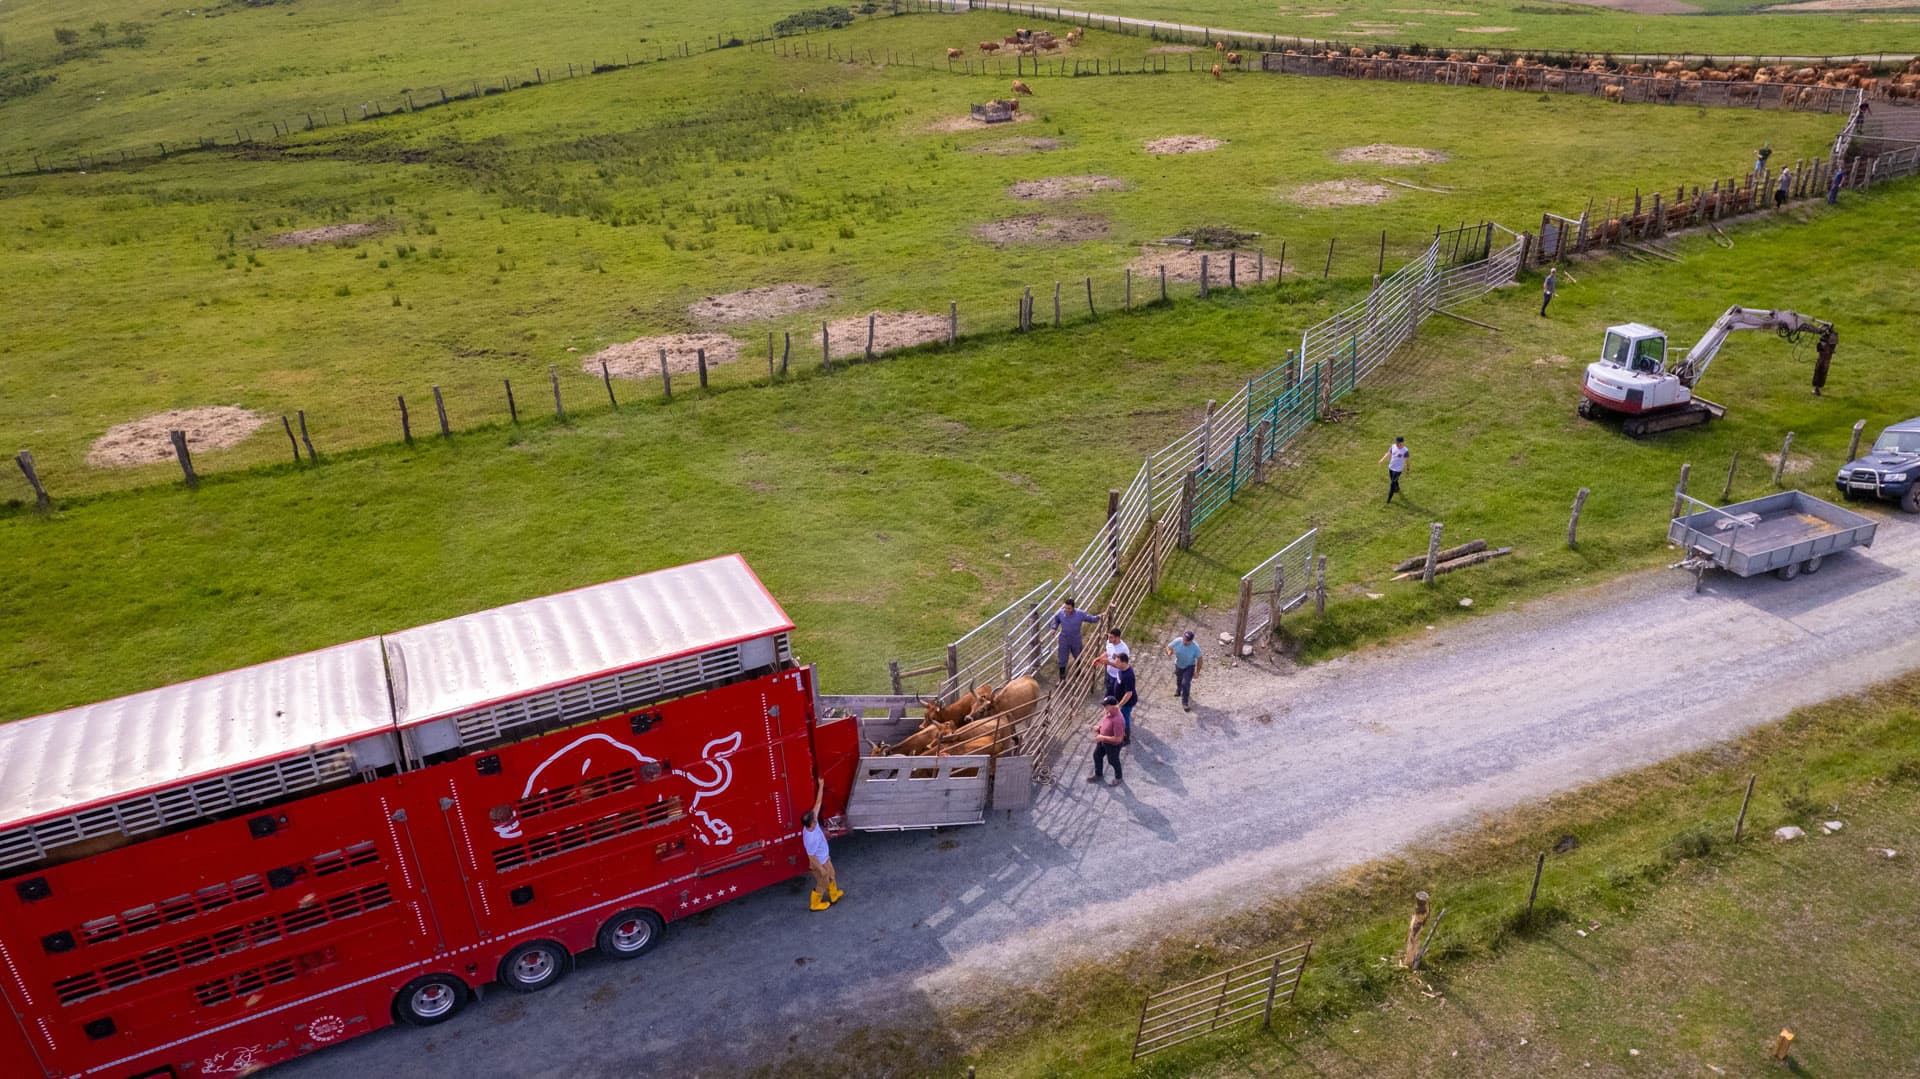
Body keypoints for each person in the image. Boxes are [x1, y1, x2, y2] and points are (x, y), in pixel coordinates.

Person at [801, 779, 842, 911]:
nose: (816, 817)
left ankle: (834, 895)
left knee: (832, 875)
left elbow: (818, 803)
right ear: (812, 824)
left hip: (824, 857)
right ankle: (814, 904)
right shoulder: (810, 838)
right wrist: (821, 869)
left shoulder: (811, 824)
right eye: (814, 819)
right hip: (819, 862)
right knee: (823, 882)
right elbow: (811, 856)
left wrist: (821, 785)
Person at [1052, 598, 1100, 680]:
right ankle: (1062, 679)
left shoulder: (1080, 614)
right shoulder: (1060, 613)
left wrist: (1099, 617)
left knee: (1077, 656)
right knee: (1062, 658)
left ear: (1073, 608)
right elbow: (1056, 620)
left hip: (1076, 639)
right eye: (1065, 608)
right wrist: (1054, 628)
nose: (1066, 610)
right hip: (1064, 639)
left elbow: (1091, 619)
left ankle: (1078, 672)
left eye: (1069, 608)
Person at [1088, 696, 1125, 787]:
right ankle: (1098, 774)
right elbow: (1106, 723)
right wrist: (1099, 728)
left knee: (1113, 761)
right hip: (1103, 740)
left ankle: (1118, 777)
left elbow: (1118, 739)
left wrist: (1102, 737)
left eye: (1105, 705)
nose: (1104, 707)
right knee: (1097, 755)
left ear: (1112, 706)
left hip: (1113, 745)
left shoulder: (1118, 720)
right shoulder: (1109, 712)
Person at [1166, 630, 1203, 712]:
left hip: (1189, 666)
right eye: (1184, 639)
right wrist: (1169, 651)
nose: (1185, 642)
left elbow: (1200, 659)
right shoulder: (1178, 641)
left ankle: (1185, 702)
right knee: (1179, 679)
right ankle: (1178, 690)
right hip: (1179, 664)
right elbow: (1169, 647)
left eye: (1187, 641)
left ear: (1191, 640)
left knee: (1185, 683)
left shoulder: (1195, 647)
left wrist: (1197, 672)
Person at [1108, 653, 1137, 745]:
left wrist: (1119, 705)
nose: (1115, 664)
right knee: (1122, 717)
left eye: (1117, 662)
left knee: (1124, 719)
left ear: (1123, 663)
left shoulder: (1128, 676)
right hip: (1120, 699)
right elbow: (1116, 660)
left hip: (1126, 703)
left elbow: (1129, 693)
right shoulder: (1122, 668)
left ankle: (1126, 738)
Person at [1378, 435, 1410, 504]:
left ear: (1402, 443)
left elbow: (1407, 461)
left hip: (1398, 470)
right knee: (1393, 480)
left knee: (1392, 484)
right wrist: (1382, 460)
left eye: (1398, 443)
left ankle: (1388, 500)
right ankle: (1397, 488)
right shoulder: (1393, 446)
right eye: (1396, 442)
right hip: (1391, 467)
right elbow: (1388, 453)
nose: (1397, 444)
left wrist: (1407, 469)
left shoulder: (1405, 451)